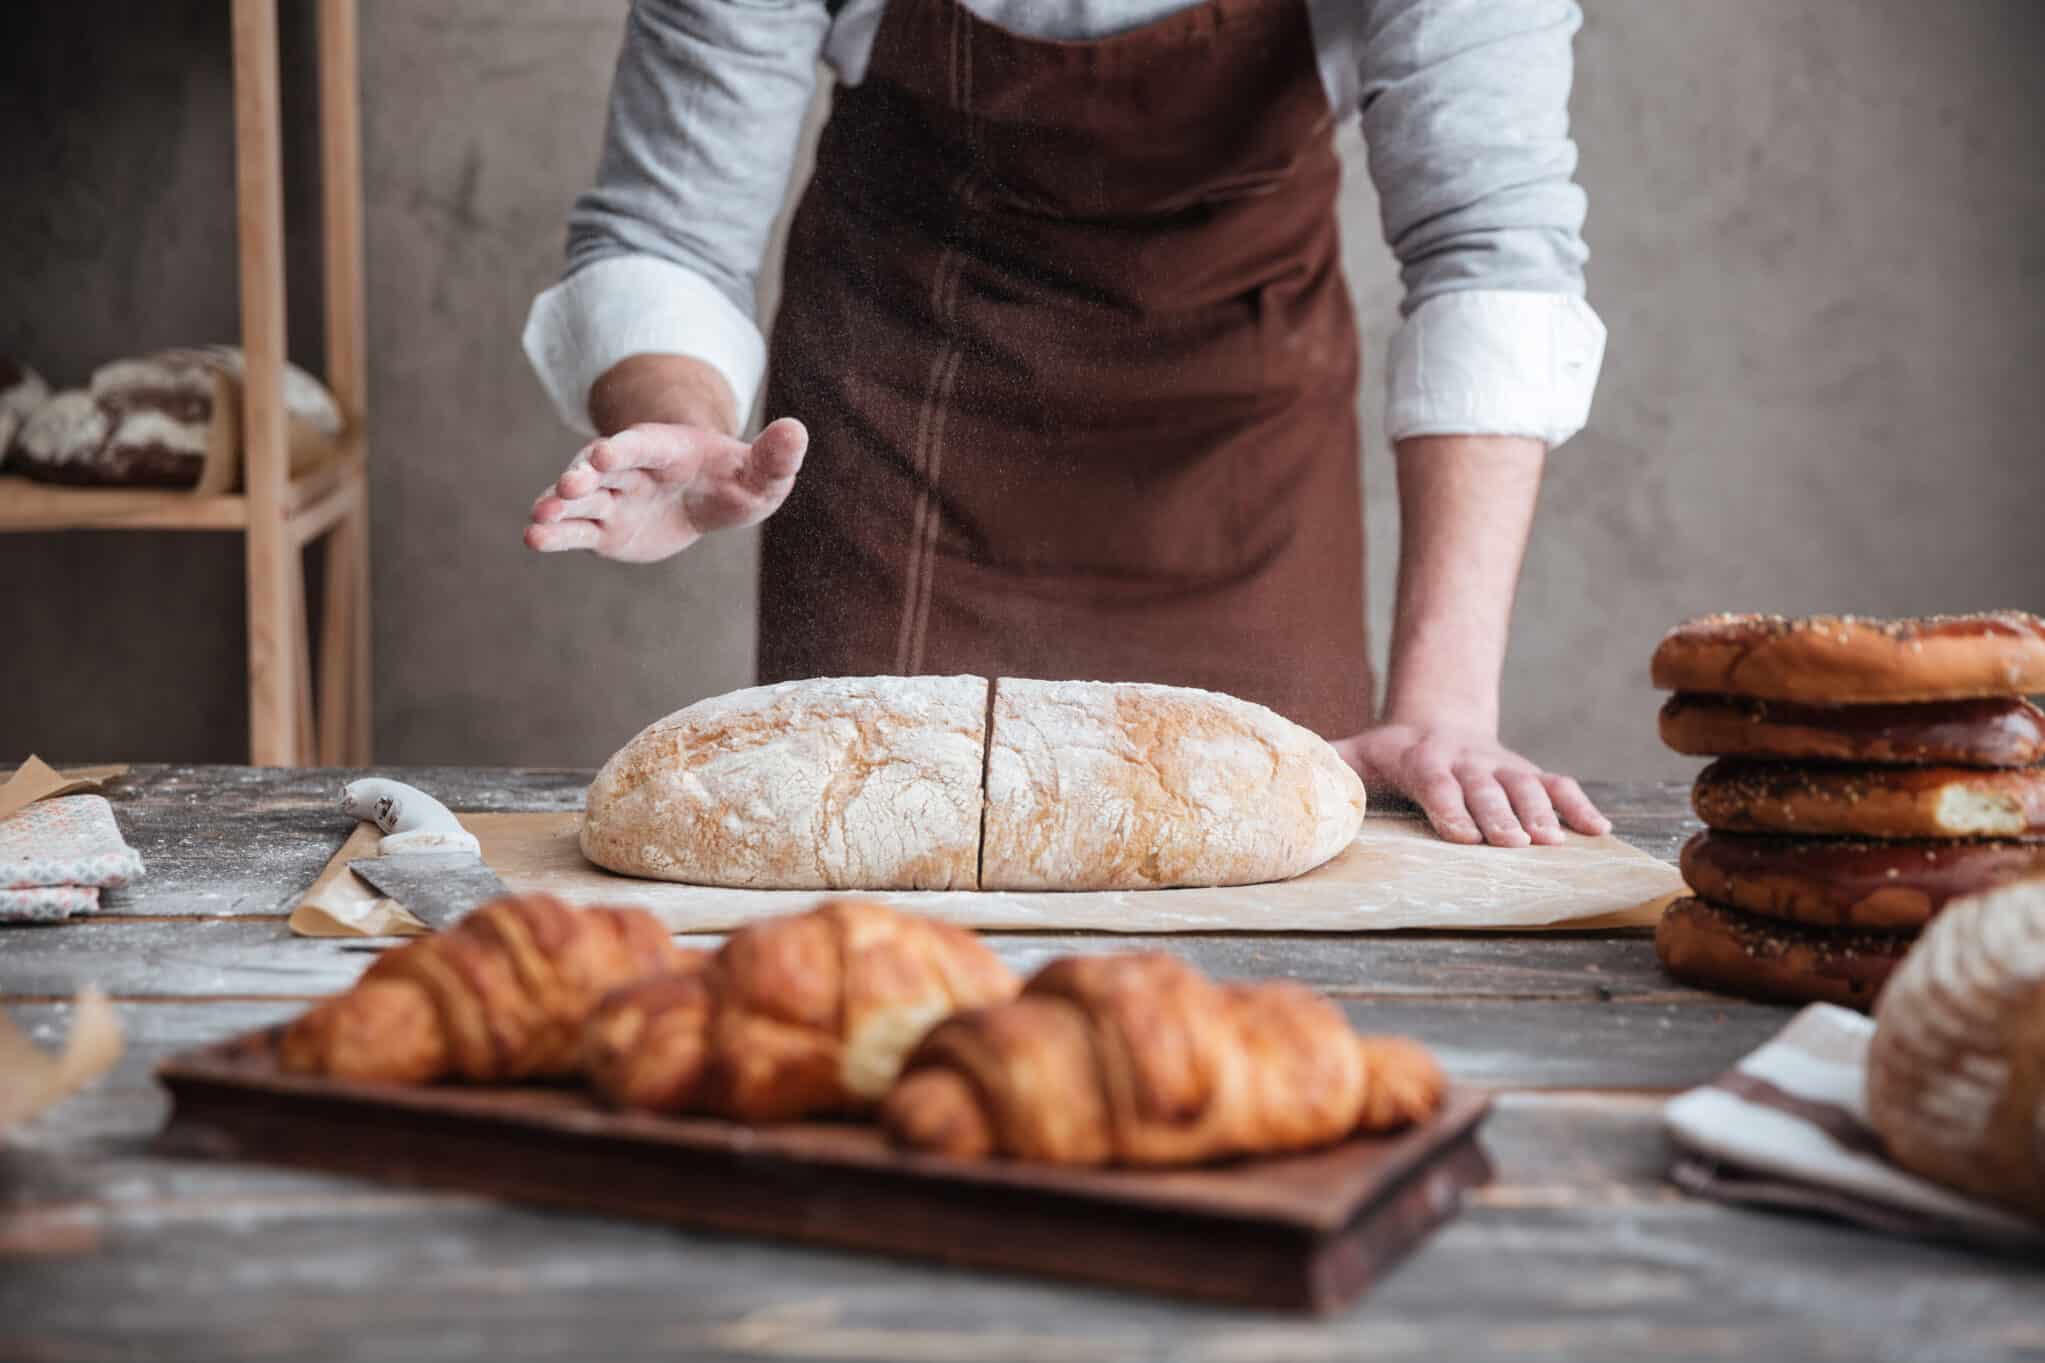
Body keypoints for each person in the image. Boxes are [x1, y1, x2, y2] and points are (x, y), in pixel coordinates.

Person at [522, 0, 1614, 848]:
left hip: (1239, 453)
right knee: (882, 917)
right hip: (906, 439)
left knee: (1272, 916)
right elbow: (668, 222)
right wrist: (678, 421)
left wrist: (1442, 709)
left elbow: (1489, 246)